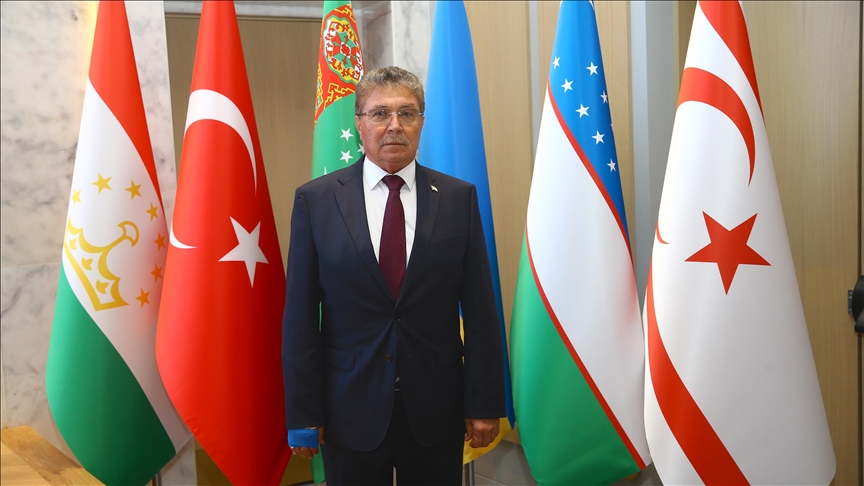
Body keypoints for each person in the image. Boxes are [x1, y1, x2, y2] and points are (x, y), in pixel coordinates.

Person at [282, 66, 505, 485]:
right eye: (380, 113)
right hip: (348, 410)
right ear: (359, 123)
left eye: (407, 113)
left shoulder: (458, 198)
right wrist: (304, 412)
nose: (394, 126)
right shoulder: (317, 201)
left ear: (421, 122)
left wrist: (484, 402)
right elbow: (299, 319)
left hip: (436, 407)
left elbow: (480, 310)